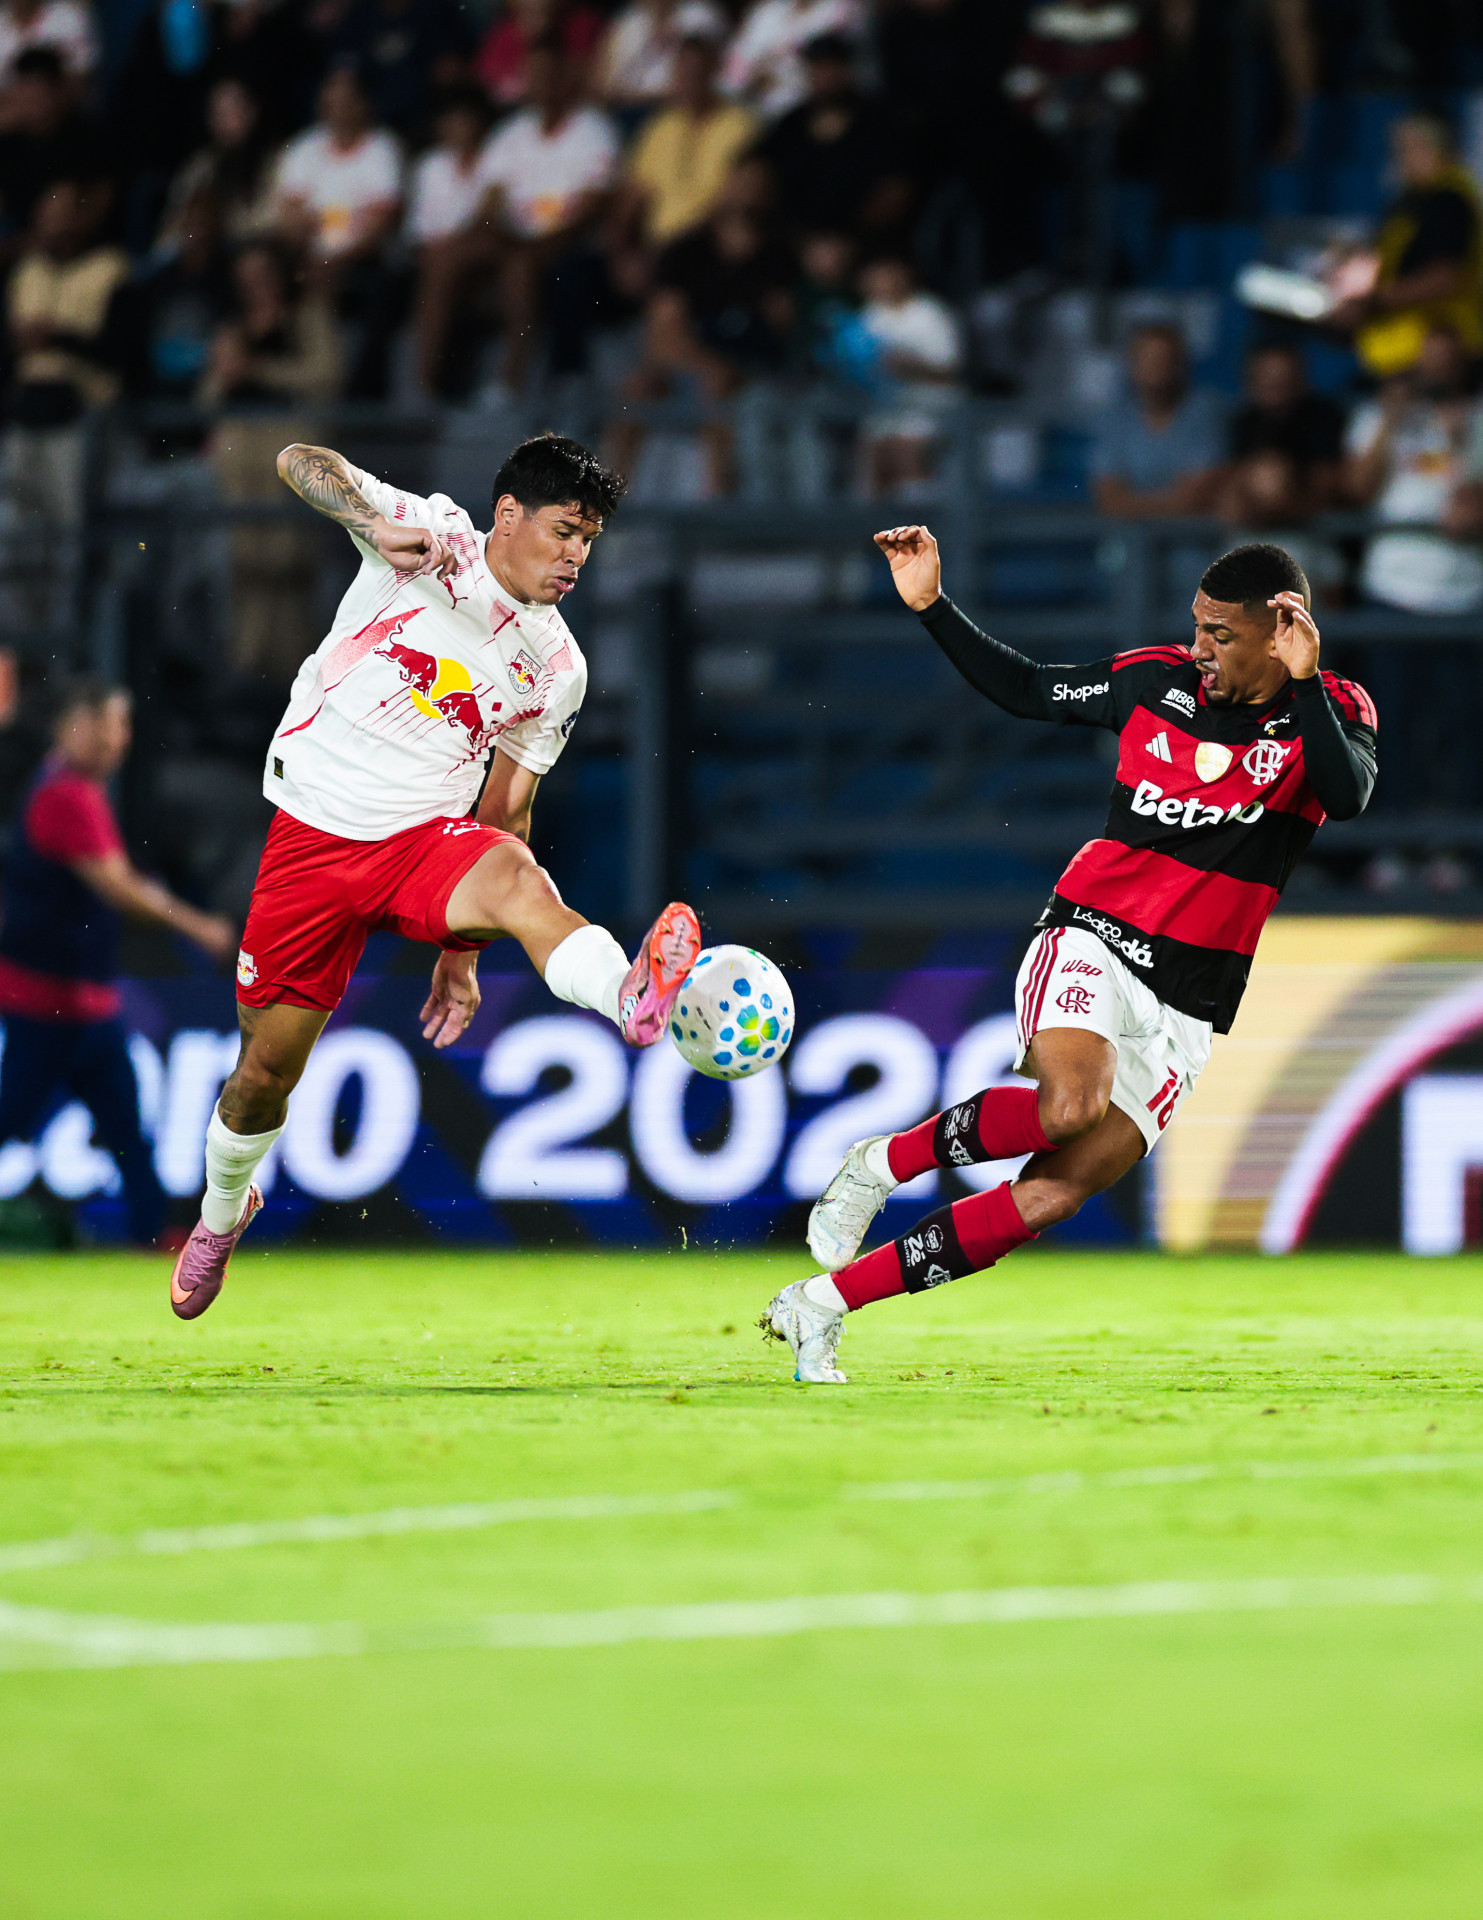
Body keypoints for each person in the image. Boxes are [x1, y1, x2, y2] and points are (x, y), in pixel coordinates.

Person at [762, 530, 1376, 1381]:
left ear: (1282, 633)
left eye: (1220, 635)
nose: (1198, 648)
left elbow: (1343, 798)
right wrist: (931, 607)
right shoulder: (1151, 680)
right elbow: (1025, 689)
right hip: (1096, 932)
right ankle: (880, 1163)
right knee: (1068, 1108)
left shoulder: (1335, 708)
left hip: (1189, 1002)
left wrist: (1305, 684)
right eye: (1195, 626)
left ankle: (818, 1308)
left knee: (1050, 1195)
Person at [166, 433, 703, 1319]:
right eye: (565, 531)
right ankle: (223, 1214)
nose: (575, 556)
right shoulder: (431, 533)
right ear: (506, 515)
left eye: (589, 542)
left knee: (521, 880)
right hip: (311, 839)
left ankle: (630, 995)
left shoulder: (555, 666)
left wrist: (463, 950)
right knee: (263, 1073)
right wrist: (370, 521)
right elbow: (299, 460)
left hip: (424, 842)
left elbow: (508, 811)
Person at [0, 679, 234, 1246]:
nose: (117, 740)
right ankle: (155, 1237)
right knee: (23, 1123)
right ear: (72, 726)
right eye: (108, 725)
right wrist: (198, 926)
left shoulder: (68, 789)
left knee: (128, 1132)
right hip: (44, 1003)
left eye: (123, 727)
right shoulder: (67, 795)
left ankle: (156, 1239)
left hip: (82, 1003)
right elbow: (118, 889)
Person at [418, 37, 618, 396]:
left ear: (564, 76)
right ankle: (425, 381)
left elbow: (591, 206)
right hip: (510, 236)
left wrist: (536, 240)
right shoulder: (512, 132)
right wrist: (494, 231)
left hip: (563, 240)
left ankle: (511, 379)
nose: (540, 83)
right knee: (445, 261)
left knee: (519, 266)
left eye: (548, 74)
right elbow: (490, 199)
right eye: (533, 75)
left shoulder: (592, 130)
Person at [1329, 113, 1483, 382]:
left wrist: (1373, 301)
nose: (1397, 157)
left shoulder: (1449, 202)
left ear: (1431, 149)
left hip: (1437, 341)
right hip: (1395, 340)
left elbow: (1444, 278)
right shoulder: (1409, 200)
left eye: (1405, 148)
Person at [1343, 324, 1483, 616]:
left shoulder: (1479, 418)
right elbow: (1358, 490)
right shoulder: (1377, 416)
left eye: (1449, 362)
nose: (1439, 372)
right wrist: (1389, 423)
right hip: (1390, 586)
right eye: (1431, 361)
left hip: (1464, 591)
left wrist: (1461, 443)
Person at [754, 32, 913, 249]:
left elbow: (896, 189)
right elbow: (761, 175)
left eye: (833, 67)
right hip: (794, 242)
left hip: (865, 243)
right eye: (818, 68)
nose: (826, 76)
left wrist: (849, 238)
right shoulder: (790, 125)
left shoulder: (879, 123)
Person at [612, 27, 757, 257]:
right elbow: (634, 195)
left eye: (697, 71)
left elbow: (737, 196)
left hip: (708, 242)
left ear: (712, 71)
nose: (690, 79)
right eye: (684, 71)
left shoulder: (739, 125)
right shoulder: (659, 128)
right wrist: (623, 252)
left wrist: (683, 241)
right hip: (657, 246)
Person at [1091, 321, 1226, 517]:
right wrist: (1165, 502)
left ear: (1180, 363)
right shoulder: (1114, 418)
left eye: (1163, 358)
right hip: (1127, 540)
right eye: (1147, 358)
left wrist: (1135, 504)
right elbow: (1109, 497)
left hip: (1191, 540)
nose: (1155, 366)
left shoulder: (1205, 411)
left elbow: (1196, 494)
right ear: (1132, 364)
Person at [854, 255, 963, 495]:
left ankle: (916, 527)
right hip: (884, 405)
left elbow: (949, 371)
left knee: (904, 453)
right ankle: (873, 529)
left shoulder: (930, 312)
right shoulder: (868, 316)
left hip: (930, 404)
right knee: (873, 461)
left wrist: (907, 366)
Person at [721, 0, 864, 120]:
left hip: (809, 114)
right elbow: (730, 75)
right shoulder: (767, 12)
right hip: (754, 114)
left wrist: (770, 70)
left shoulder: (842, 8)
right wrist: (753, 79)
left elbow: (822, 72)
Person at [594, 0, 728, 114]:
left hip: (675, 109)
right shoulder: (630, 22)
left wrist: (637, 99)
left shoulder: (701, 16)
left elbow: (700, 85)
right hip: (625, 111)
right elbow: (602, 86)